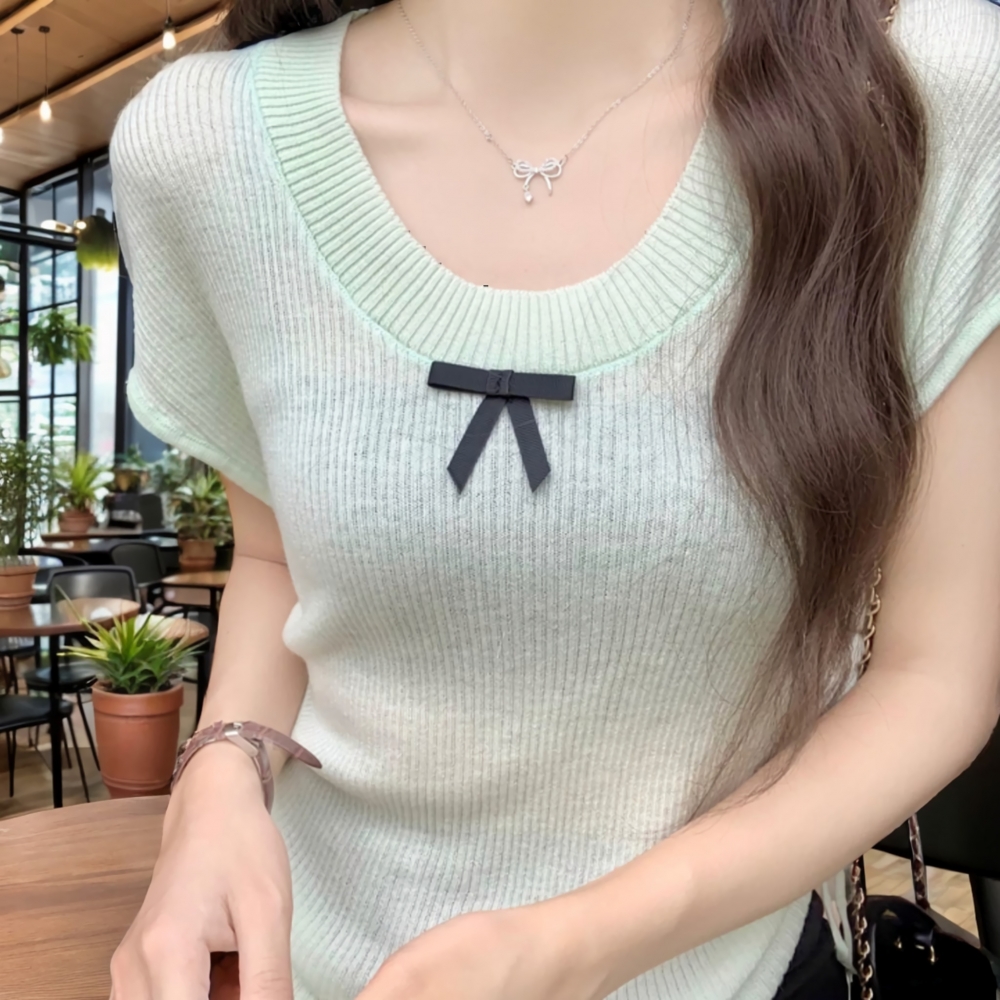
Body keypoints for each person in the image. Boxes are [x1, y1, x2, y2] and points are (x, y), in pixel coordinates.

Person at [107, 0, 1000, 997]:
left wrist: (577, 945)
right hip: (297, 969)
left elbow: (934, 673)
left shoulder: (910, 85)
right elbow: (278, 561)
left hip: (728, 973)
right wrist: (219, 776)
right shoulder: (204, 145)